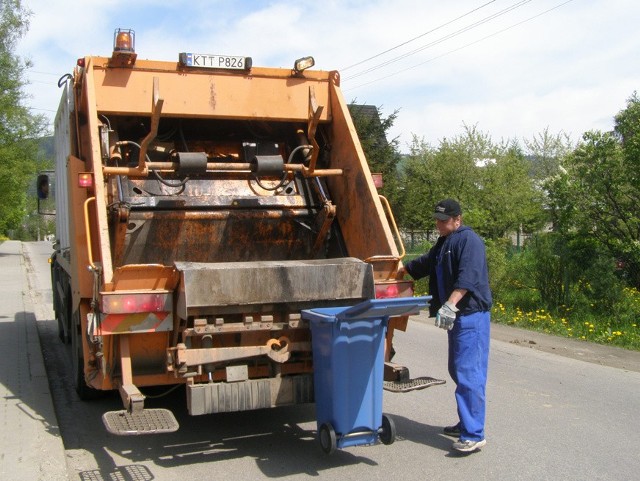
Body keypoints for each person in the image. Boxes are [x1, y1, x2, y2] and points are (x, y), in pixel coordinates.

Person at [398, 198, 492, 453]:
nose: (438, 224)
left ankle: (474, 434)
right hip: (460, 319)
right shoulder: (445, 242)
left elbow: (467, 278)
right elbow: (427, 263)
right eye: (437, 220)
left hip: (471, 317)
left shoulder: (469, 241)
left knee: (468, 373)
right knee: (458, 369)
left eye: (443, 220)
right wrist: (400, 270)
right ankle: (466, 423)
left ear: (457, 219)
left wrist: (450, 304)